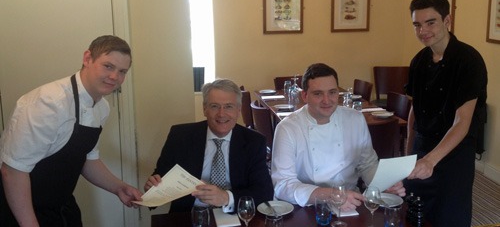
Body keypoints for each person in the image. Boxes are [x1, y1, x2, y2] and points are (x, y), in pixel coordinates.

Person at [0, 35, 143, 227]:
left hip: (61, 206)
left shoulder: (102, 107)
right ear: (87, 59)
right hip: (20, 210)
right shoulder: (49, 103)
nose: (114, 77)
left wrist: (119, 187)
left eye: (122, 71)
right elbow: (12, 171)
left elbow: (88, 158)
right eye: (108, 66)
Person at [271, 63, 405, 211]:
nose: (327, 100)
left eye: (332, 92)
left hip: (351, 203)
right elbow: (283, 184)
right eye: (318, 94)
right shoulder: (288, 128)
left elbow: (367, 164)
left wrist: (384, 183)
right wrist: (329, 195)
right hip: (307, 206)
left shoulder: (355, 119)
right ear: (304, 95)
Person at [404, 0, 487, 226]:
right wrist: (409, 153)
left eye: (430, 22)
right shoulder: (419, 61)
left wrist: (431, 161)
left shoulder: (469, 60)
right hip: (423, 147)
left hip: (454, 154)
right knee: (414, 215)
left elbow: (462, 121)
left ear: (447, 21)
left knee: (450, 216)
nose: (423, 31)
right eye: (417, 25)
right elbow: (414, 111)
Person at [144, 78, 273, 213]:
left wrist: (226, 197)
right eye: (214, 106)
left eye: (229, 106)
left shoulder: (254, 141)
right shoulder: (180, 136)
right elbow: (161, 179)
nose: (221, 114)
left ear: (238, 110)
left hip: (235, 215)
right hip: (190, 215)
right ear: (204, 109)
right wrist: (152, 190)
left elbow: (264, 193)